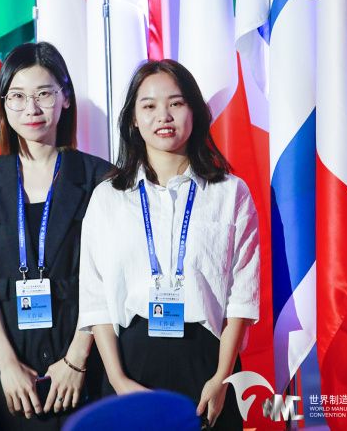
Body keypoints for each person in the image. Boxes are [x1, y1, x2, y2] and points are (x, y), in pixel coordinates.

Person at [78, 59, 259, 429]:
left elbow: (242, 297)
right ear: (133, 119)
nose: (163, 115)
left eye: (176, 103)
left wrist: (222, 378)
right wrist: (118, 381)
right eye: (149, 105)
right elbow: (96, 301)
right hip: (130, 367)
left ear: (195, 111)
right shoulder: (107, 198)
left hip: (207, 367)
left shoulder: (230, 193)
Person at [0, 42, 112, 430]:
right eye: (17, 97)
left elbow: (106, 278)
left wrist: (76, 359)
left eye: (43, 94)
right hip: (2, 361)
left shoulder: (101, 180)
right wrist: (6, 363)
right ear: (3, 104)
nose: (31, 109)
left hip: (83, 357)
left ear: (65, 97)